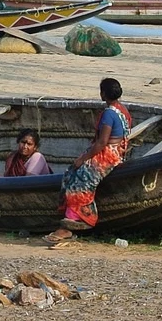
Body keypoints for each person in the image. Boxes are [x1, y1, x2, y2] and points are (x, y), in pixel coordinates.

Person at [45, 78, 133, 244]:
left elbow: (101, 142)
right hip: (118, 153)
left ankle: (78, 219)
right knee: (71, 173)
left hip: (108, 154)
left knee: (79, 179)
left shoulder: (109, 113)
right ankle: (70, 216)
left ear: (103, 94)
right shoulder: (123, 110)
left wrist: (82, 159)